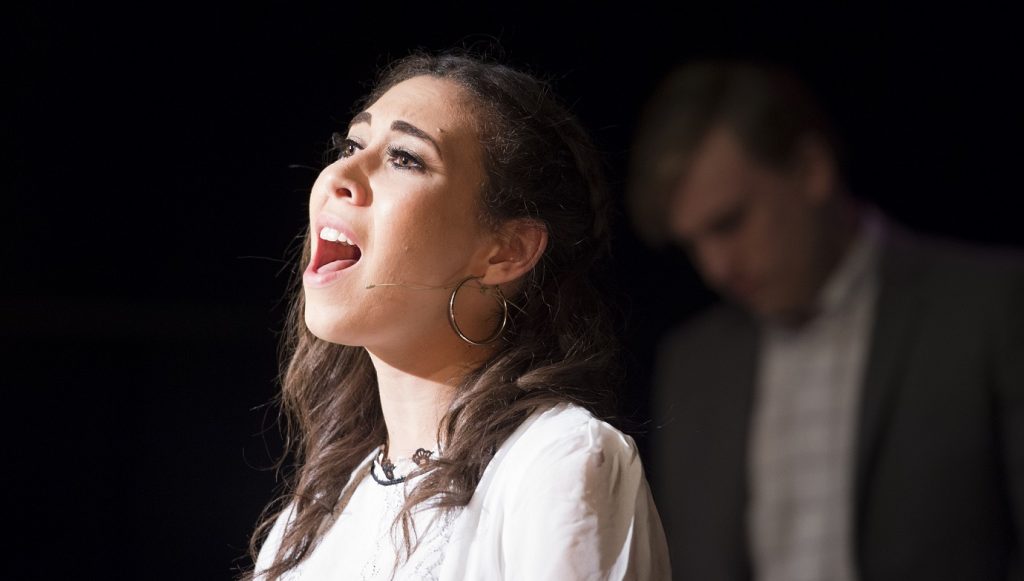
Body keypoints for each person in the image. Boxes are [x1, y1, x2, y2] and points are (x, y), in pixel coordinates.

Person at [245, 52, 671, 580]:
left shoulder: (558, 462)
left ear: (506, 251)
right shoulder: (305, 527)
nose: (340, 175)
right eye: (352, 145)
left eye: (405, 158)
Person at [628, 61, 1024, 581]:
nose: (715, 267)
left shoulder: (987, 305)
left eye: (730, 222)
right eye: (692, 244)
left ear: (812, 168)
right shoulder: (695, 361)